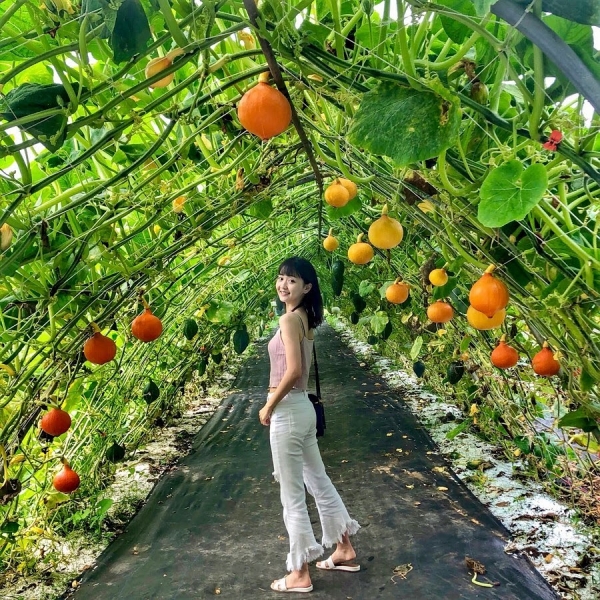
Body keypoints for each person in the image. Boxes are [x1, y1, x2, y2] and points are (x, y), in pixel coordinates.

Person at [259, 256, 360, 594]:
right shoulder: (306, 318)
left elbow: (294, 371)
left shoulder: (289, 320)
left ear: (307, 287)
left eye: (292, 280)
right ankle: (344, 548)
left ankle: (299, 573)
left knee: (292, 495)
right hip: (302, 409)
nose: (283, 284)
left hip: (288, 410)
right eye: (281, 277)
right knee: (318, 481)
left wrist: (269, 405)